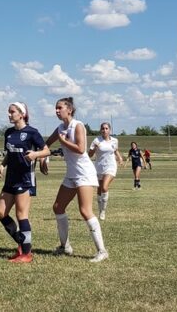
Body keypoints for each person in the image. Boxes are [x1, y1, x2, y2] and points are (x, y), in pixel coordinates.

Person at [46, 97, 109, 263]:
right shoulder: (60, 128)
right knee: (58, 207)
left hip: (84, 174)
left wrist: (63, 141)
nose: (57, 111)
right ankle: (65, 246)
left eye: (60, 108)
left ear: (70, 110)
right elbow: (47, 144)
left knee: (85, 211)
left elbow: (81, 149)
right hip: (71, 174)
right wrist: (42, 158)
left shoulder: (78, 126)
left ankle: (102, 251)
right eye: (56, 108)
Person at [0, 101, 50, 263]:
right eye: (9, 112)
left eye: (12, 111)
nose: (9, 114)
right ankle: (22, 241)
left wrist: (35, 155)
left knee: (21, 215)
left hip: (25, 179)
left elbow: (47, 150)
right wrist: (2, 165)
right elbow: (9, 153)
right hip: (10, 178)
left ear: (22, 114)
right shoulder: (9, 133)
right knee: (0, 213)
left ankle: (26, 254)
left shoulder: (32, 132)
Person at [89, 122, 124, 221]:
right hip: (99, 167)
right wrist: (94, 148)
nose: (104, 130)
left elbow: (115, 150)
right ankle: (100, 210)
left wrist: (120, 158)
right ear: (100, 130)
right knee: (99, 190)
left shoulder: (114, 140)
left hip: (111, 166)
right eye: (103, 129)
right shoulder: (96, 140)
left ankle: (103, 211)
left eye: (106, 128)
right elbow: (90, 154)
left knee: (104, 187)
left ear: (110, 130)